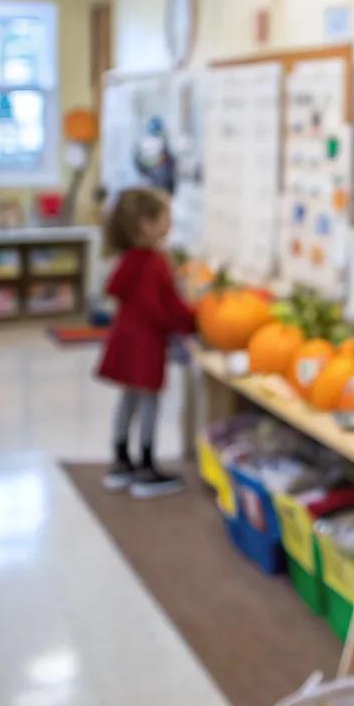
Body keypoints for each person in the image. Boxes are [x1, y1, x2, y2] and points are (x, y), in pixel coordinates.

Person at [97, 187, 196, 497]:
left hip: (124, 339)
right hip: (146, 344)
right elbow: (163, 307)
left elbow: (121, 292)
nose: (171, 223)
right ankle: (147, 467)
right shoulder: (154, 262)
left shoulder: (129, 260)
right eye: (166, 216)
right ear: (146, 223)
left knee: (128, 400)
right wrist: (193, 318)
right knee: (150, 402)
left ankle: (121, 461)